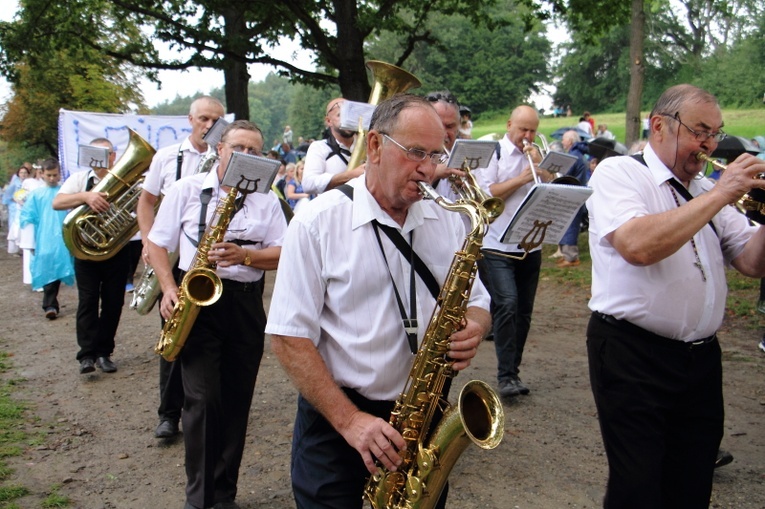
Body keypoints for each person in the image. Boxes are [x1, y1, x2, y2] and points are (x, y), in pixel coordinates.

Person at [266, 94, 491, 508]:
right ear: (374, 146)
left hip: (422, 418)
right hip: (339, 423)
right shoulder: (317, 222)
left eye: (436, 154)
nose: (428, 169)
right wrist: (350, 420)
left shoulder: (448, 219)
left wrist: (476, 325)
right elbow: (288, 337)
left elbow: (477, 299)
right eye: (416, 153)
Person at [586, 84, 765, 508]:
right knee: (639, 485)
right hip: (632, 353)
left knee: (693, 478)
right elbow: (637, 246)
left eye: (716, 134)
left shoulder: (705, 189)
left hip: (700, 359)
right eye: (700, 130)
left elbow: (752, 263)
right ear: (659, 126)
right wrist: (723, 192)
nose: (709, 144)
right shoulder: (620, 173)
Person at [147, 119, 286, 509]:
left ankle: (224, 494)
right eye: (239, 147)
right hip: (197, 302)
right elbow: (157, 245)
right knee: (203, 400)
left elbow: (285, 251)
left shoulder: (268, 199)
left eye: (256, 151)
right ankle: (201, 498)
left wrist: (247, 256)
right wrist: (170, 288)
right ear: (219, 149)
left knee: (237, 400)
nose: (247, 156)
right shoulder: (186, 190)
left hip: (244, 302)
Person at [137, 95, 226, 440]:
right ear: (190, 120)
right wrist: (149, 240)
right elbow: (146, 202)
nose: (209, 125)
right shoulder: (166, 157)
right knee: (173, 332)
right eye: (203, 118)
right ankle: (168, 413)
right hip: (175, 260)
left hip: (209, 261)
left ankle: (202, 406)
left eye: (216, 120)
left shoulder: (227, 156)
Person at [474, 105, 551, 398]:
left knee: (524, 312)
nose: (528, 136)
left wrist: (542, 170)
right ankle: (506, 376)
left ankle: (512, 373)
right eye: (523, 130)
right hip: (495, 243)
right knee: (506, 304)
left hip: (530, 243)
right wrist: (523, 177)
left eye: (533, 130)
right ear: (509, 125)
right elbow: (487, 193)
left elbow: (552, 190)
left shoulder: (537, 156)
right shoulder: (494, 153)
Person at [53, 138, 128, 375]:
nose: (101, 159)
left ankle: (104, 352)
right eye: (95, 154)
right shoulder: (79, 179)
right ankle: (86, 355)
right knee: (87, 301)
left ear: (114, 156)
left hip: (117, 248)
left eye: (106, 154)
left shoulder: (125, 178)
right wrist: (86, 197)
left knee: (113, 301)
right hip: (86, 248)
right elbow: (57, 202)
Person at [19, 158, 74, 319]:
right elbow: (29, 217)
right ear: (42, 174)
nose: (51, 178)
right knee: (47, 268)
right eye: (48, 175)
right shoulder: (37, 195)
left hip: (62, 237)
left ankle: (51, 303)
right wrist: (30, 242)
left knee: (58, 268)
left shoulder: (65, 193)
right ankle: (49, 304)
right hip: (44, 237)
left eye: (54, 175)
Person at [301, 97, 364, 194]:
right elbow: (308, 184)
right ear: (329, 121)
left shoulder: (368, 146)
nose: (347, 120)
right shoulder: (319, 147)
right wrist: (350, 175)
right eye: (340, 115)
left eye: (350, 115)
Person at [555, 130, 591, 268]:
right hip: (574, 193)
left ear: (570, 141)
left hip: (572, 195)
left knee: (569, 226)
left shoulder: (574, 156)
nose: (563, 142)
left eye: (564, 140)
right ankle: (567, 255)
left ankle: (571, 257)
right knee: (568, 225)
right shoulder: (578, 155)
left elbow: (564, 174)